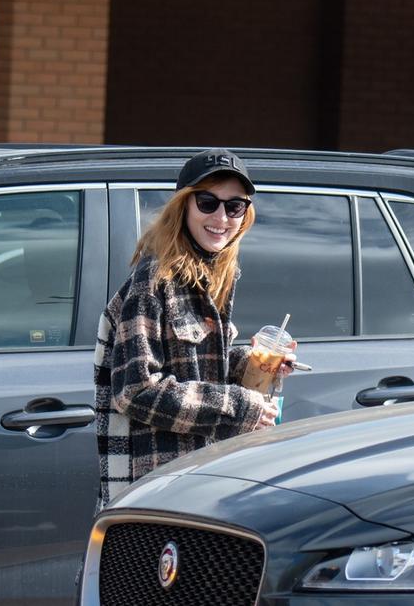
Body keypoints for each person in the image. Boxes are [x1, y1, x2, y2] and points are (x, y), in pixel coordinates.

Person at [93, 148, 293, 511]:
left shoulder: (212, 276)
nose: (222, 217)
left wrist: (251, 364)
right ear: (183, 206)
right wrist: (239, 406)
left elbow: (193, 366)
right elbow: (135, 391)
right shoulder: (153, 282)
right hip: (158, 491)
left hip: (201, 479)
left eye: (235, 206)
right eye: (207, 203)